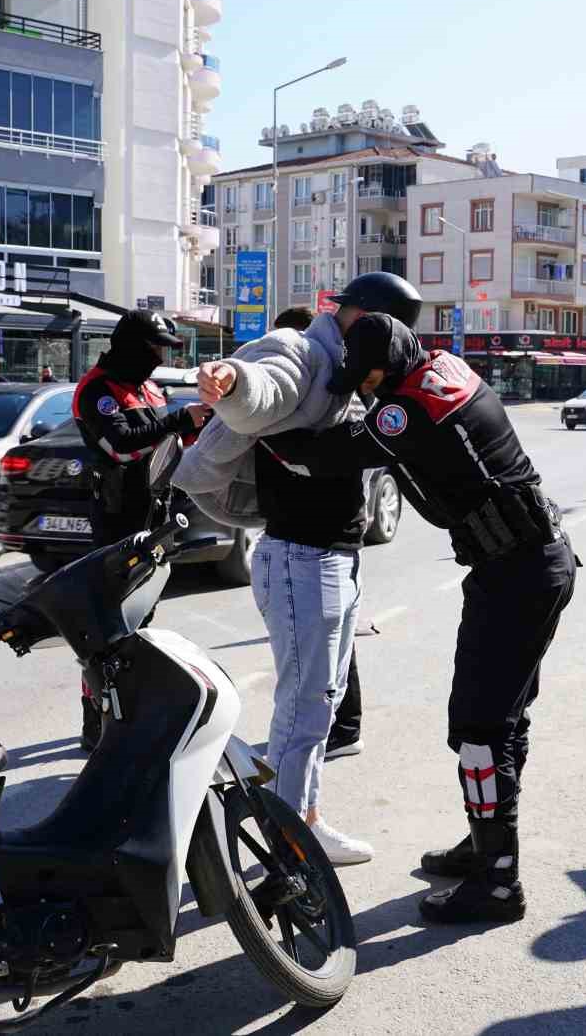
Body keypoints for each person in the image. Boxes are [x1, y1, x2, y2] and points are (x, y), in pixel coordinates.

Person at [266, 312, 577, 925]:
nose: (363, 389)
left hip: (517, 573)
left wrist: (260, 427)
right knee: (498, 723)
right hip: (526, 565)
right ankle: (488, 849)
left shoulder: (403, 410)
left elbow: (323, 457)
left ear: (388, 367)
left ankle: (497, 880)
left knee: (481, 730)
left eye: (368, 377)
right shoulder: (445, 370)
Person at [182, 276, 425, 865]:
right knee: (304, 706)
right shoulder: (304, 352)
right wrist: (232, 381)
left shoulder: (349, 372)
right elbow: (266, 382)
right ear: (353, 316)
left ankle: (304, 818)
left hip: (333, 559)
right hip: (302, 559)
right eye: (374, 323)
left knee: (324, 700)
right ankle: (288, 841)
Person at [71, 310, 208, 748]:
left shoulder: (147, 387)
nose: (158, 358)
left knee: (142, 621)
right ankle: (97, 720)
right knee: (110, 627)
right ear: (132, 345)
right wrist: (178, 420)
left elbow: (165, 441)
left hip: (154, 515)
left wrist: (195, 429)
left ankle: (131, 710)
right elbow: (123, 445)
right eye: (154, 348)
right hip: (116, 519)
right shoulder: (97, 389)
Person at [270, 305, 366, 762]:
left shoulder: (326, 400)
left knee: (310, 688)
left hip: (316, 547)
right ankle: (341, 729)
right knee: (324, 671)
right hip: (330, 543)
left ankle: (341, 730)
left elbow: (304, 456)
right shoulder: (333, 398)